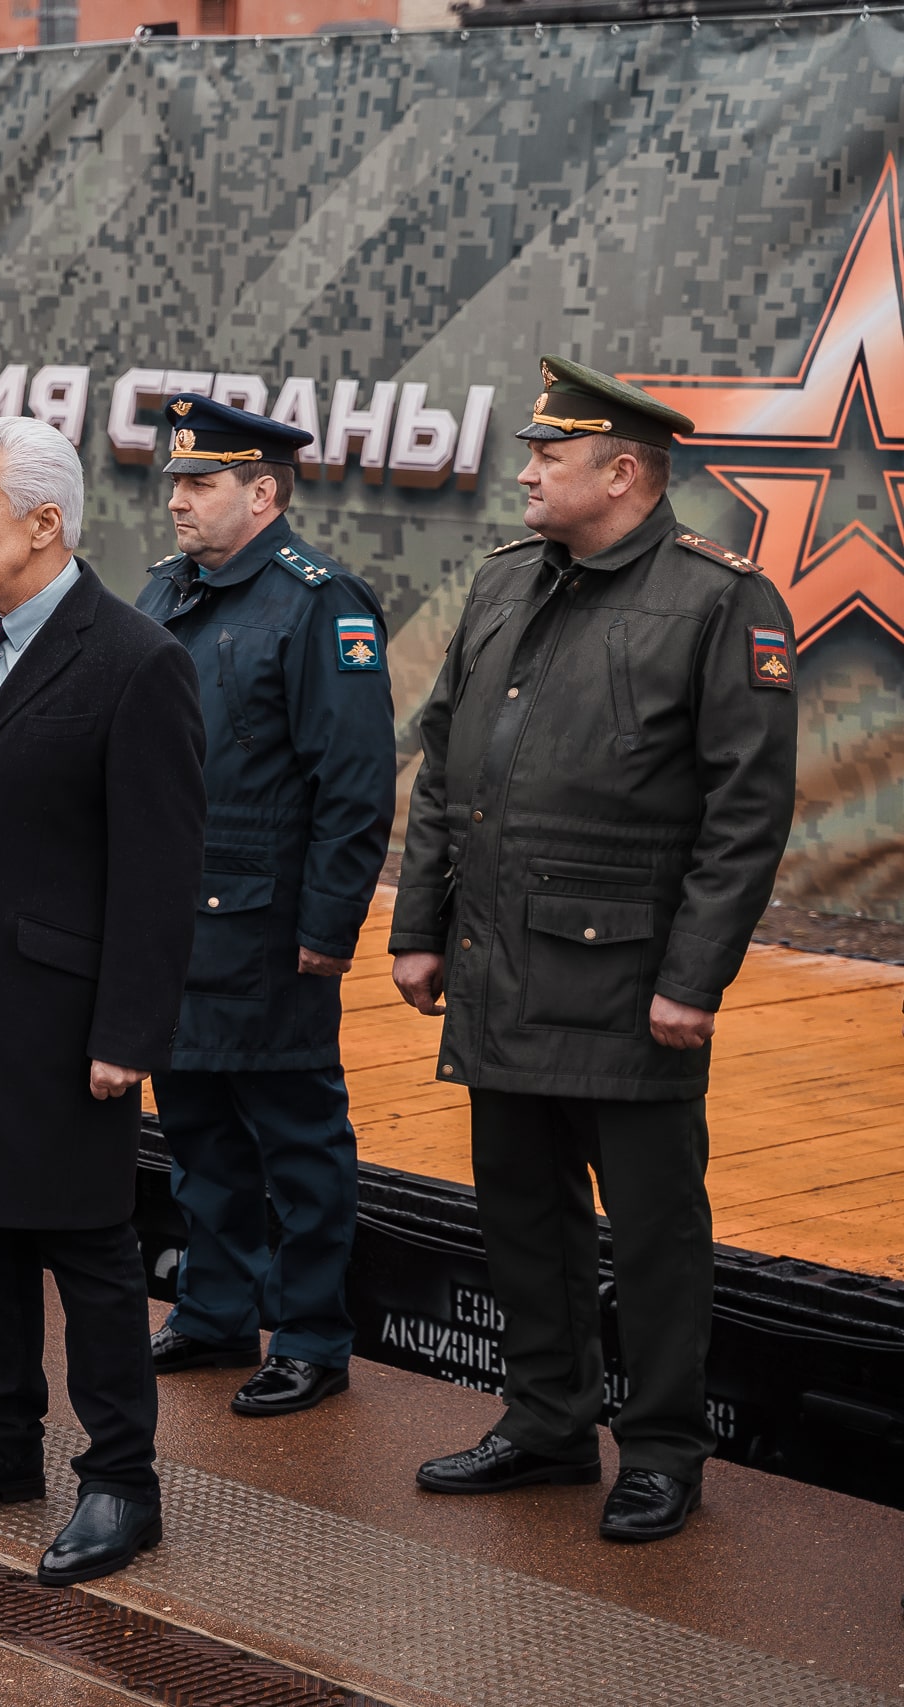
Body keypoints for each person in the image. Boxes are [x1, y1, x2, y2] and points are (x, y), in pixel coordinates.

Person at [389, 357, 798, 1544]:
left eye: (547, 459)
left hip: (630, 987)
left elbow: (747, 809)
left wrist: (692, 977)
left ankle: (664, 1450)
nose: (522, 475)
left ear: (621, 473)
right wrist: (418, 929)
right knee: (520, 1211)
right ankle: (546, 1424)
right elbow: (442, 769)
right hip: (499, 964)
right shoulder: (507, 583)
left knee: (656, 1230)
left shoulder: (720, 599)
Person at [0, 415, 206, 1589]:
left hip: (64, 1022)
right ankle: (2, 1444)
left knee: (87, 1248)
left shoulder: (134, 661)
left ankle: (122, 1482)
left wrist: (128, 1033)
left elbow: (160, 873)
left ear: (45, 525)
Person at [132, 395, 395, 1418]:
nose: (179, 503)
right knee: (195, 1133)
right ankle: (212, 1312)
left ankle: (315, 1336)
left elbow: (355, 785)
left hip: (267, 927)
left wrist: (328, 928)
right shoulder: (163, 592)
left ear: (262, 492)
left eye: (199, 485)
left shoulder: (319, 603)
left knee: (296, 1143)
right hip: (169, 921)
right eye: (176, 485)